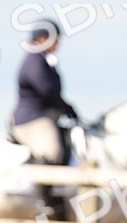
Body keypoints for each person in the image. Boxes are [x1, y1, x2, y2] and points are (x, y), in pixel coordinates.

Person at [11, 20, 78, 165]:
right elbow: (47, 89)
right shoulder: (34, 60)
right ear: (42, 38)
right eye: (55, 39)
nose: (58, 43)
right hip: (34, 118)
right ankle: (40, 187)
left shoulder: (44, 60)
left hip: (45, 116)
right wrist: (66, 107)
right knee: (52, 153)